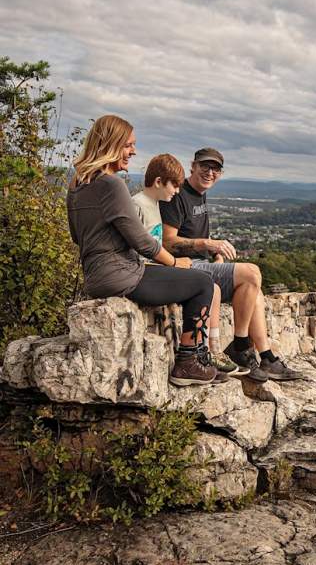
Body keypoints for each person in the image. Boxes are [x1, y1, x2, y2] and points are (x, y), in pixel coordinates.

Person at [67, 114, 223, 388]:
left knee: (188, 280)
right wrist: (174, 262)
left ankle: (196, 358)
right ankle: (189, 362)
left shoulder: (76, 186)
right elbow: (142, 241)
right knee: (201, 283)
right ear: (111, 144)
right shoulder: (111, 184)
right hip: (122, 275)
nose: (133, 151)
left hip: (96, 276)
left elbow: (76, 236)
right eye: (128, 145)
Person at [160, 147, 303, 383]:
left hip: (201, 265)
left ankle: (266, 357)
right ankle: (239, 346)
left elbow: (194, 239)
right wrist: (206, 243)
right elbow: (167, 241)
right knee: (252, 272)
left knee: (253, 288)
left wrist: (212, 255)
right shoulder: (178, 195)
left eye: (215, 169)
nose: (209, 172)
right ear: (192, 166)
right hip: (182, 269)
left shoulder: (199, 194)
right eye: (205, 166)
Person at [131, 153, 246, 377]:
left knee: (211, 287)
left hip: (158, 268)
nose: (176, 191)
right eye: (174, 185)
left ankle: (204, 352)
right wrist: (174, 262)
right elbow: (139, 246)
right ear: (158, 182)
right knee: (205, 283)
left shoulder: (154, 204)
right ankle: (192, 356)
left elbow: (155, 243)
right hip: (146, 272)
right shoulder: (138, 204)